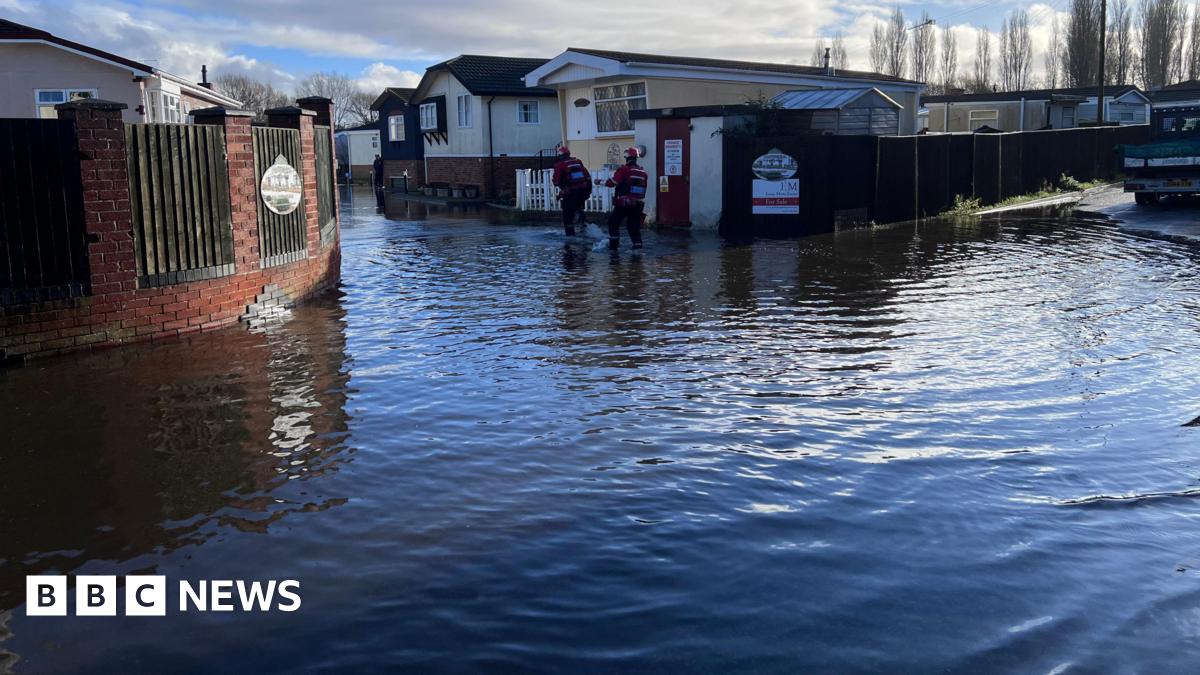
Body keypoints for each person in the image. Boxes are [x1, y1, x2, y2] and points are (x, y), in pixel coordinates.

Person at [597, 147, 648, 249]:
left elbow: (612, 183)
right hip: (639, 204)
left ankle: (614, 248)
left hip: (625, 203)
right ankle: (637, 249)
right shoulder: (643, 172)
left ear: (626, 157)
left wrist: (600, 182)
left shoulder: (624, 169)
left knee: (613, 222)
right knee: (633, 227)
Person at [551, 145, 592, 236]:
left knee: (567, 215)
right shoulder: (578, 161)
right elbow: (587, 177)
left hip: (571, 193)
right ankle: (583, 229)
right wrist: (588, 192)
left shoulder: (560, 165)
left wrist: (562, 190)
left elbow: (556, 181)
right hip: (583, 191)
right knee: (579, 209)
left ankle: (570, 235)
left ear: (560, 156)